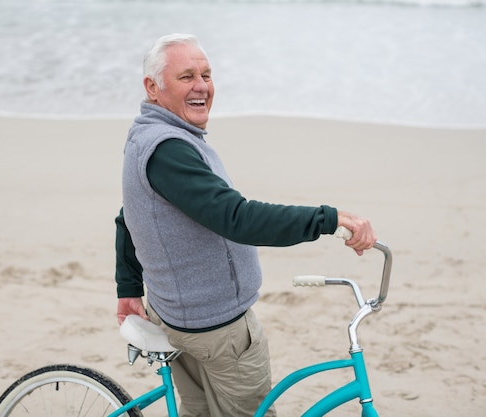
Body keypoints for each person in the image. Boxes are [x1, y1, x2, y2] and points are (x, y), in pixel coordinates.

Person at [115, 33, 377, 417]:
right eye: (187, 77)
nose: (202, 86)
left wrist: (127, 287)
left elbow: (129, 215)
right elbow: (237, 218)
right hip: (217, 330)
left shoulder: (150, 137)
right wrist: (328, 218)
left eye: (206, 74)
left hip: (182, 318)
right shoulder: (168, 149)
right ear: (153, 88)